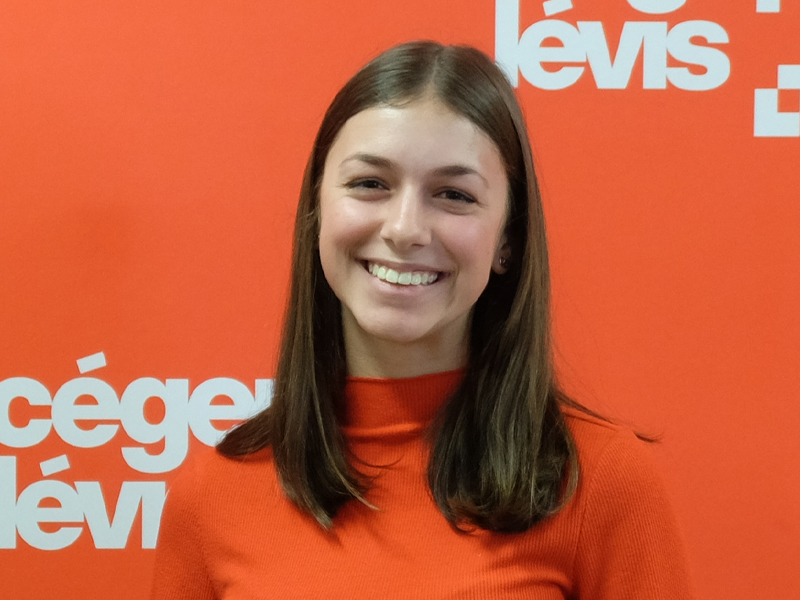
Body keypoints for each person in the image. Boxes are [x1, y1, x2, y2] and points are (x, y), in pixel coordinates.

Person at [150, 41, 693, 599]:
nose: (405, 228)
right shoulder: (211, 495)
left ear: (507, 240)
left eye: (454, 195)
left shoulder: (601, 482)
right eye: (370, 184)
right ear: (317, 210)